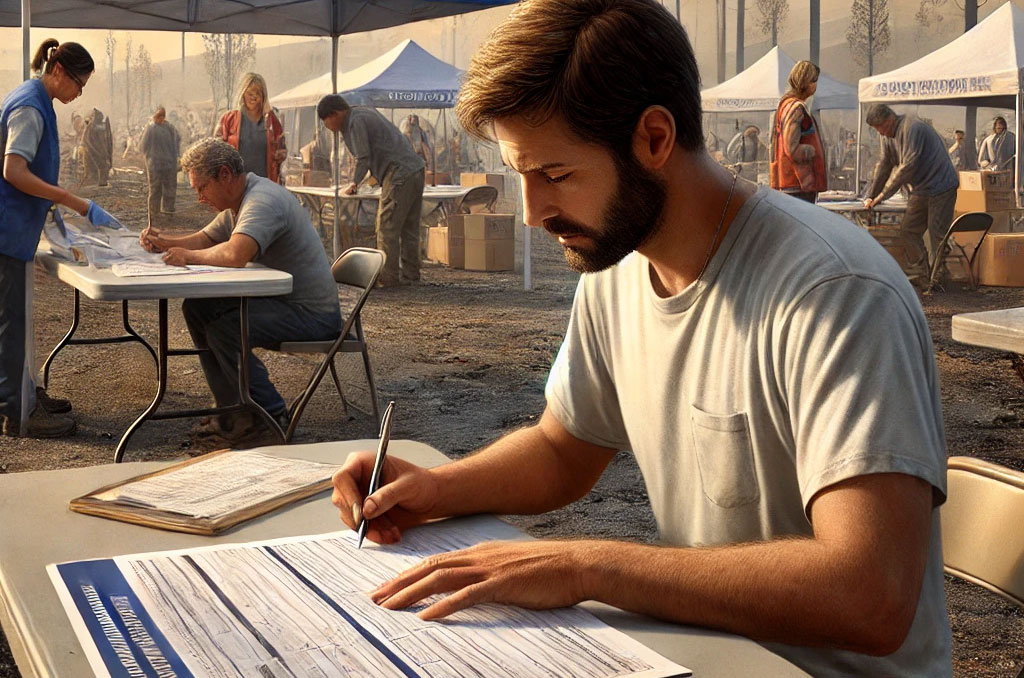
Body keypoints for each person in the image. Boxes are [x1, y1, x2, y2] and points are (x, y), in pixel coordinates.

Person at [330, 1, 952, 676]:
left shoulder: (834, 294)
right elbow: (563, 449)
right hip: (709, 654)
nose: (533, 212)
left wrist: (586, 566)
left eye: (555, 175)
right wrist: (435, 489)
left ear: (655, 138)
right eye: (520, 174)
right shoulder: (619, 266)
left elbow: (869, 596)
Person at [138, 138, 340, 449]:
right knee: (198, 309)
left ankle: (267, 416)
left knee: (226, 328)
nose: (200, 198)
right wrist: (163, 241)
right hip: (285, 303)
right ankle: (232, 410)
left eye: (202, 188)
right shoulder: (241, 199)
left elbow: (235, 254)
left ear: (224, 175)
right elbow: (205, 239)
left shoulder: (262, 201)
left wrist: (186, 256)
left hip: (313, 316)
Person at [0, 39, 123, 438]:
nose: (79, 94)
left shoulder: (38, 100)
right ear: (57, 71)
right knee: (10, 324)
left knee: (17, 321)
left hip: (17, 227)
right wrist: (74, 201)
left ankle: (26, 394)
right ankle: (17, 412)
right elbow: (14, 171)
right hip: (7, 229)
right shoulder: (30, 107)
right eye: (78, 84)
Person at [317, 94, 426, 286]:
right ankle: (411, 274)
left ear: (334, 114)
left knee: (387, 226)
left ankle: (388, 277)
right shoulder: (364, 112)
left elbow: (364, 157)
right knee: (409, 227)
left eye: (326, 121)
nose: (328, 127)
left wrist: (354, 182)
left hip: (399, 173)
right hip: (415, 169)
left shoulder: (354, 122)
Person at [863, 103, 959, 281]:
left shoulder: (912, 128)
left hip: (941, 185)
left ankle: (940, 276)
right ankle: (921, 272)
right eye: (876, 129)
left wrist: (883, 195)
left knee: (937, 233)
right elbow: (884, 165)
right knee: (908, 230)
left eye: (880, 127)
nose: (880, 133)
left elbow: (908, 166)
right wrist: (871, 195)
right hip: (921, 188)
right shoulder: (887, 137)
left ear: (890, 119)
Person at [770, 60, 826, 202]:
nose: (815, 86)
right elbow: (792, 148)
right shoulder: (795, 109)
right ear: (805, 82)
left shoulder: (786, 105)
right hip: (798, 183)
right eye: (814, 81)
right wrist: (812, 151)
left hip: (792, 183)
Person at [216, 73, 286, 183]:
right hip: (235, 184)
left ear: (263, 96)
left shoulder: (272, 121)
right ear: (243, 94)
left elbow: (282, 150)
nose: (253, 97)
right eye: (250, 93)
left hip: (264, 183)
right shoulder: (229, 119)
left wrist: (280, 155)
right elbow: (216, 149)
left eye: (258, 93)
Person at [139, 106, 181, 221]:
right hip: (161, 164)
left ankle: (161, 213)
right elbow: (177, 142)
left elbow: (142, 147)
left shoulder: (157, 128)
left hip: (161, 164)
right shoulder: (165, 128)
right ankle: (160, 213)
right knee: (160, 189)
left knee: (162, 190)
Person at [80, 107, 112, 186]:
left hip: (98, 150)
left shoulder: (99, 126)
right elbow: (86, 140)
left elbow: (104, 140)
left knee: (102, 167)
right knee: (90, 170)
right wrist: (93, 150)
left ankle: (101, 182)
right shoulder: (90, 127)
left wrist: (103, 151)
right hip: (90, 150)